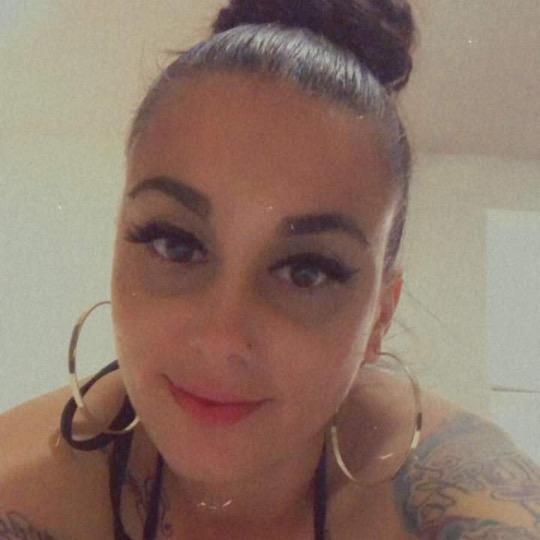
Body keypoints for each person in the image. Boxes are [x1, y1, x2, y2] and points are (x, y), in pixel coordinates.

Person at [1, 1, 539, 538]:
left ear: (380, 314)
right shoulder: (21, 488)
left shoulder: (461, 497)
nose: (221, 340)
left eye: (307, 273)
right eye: (176, 245)